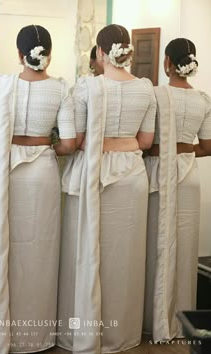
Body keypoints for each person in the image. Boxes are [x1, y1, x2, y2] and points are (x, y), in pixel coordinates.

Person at [0, 24, 76, 354]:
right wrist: (46, 145)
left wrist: (10, 144)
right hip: (43, 172)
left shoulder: (2, 85)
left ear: (19, 54)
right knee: (40, 251)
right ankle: (39, 335)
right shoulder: (62, 90)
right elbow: (70, 143)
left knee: (3, 246)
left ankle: (0, 331)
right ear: (49, 54)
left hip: (7, 173)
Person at [57, 24, 156, 353]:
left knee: (88, 250)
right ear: (125, 51)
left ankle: (85, 329)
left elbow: (78, 139)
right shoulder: (146, 89)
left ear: (101, 52)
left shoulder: (87, 87)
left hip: (96, 173)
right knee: (126, 256)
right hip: (132, 175)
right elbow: (146, 141)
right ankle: (122, 334)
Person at [143, 38, 211, 342]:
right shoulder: (203, 100)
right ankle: (181, 317)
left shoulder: (155, 95)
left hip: (158, 171)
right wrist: (184, 151)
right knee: (184, 246)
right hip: (189, 176)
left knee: (155, 242)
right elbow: (208, 146)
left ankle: (152, 318)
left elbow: (144, 140)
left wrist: (166, 153)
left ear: (168, 62)